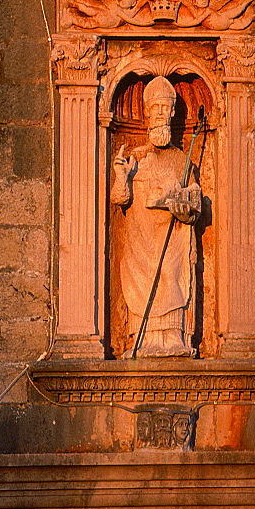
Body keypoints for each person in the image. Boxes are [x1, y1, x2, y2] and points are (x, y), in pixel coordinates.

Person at [111, 76, 201, 357]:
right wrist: (121, 176)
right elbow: (120, 199)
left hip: (172, 236)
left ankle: (174, 339)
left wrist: (182, 205)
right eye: (156, 108)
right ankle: (144, 340)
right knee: (143, 282)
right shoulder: (135, 157)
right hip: (140, 237)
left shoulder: (182, 160)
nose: (161, 113)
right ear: (147, 112)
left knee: (172, 280)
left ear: (173, 113)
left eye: (166, 108)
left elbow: (194, 203)